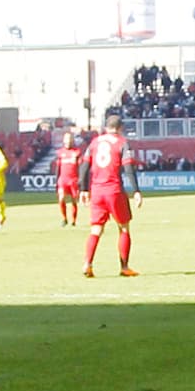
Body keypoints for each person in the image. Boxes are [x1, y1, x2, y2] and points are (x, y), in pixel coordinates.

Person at [78, 115, 142, 277]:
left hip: (97, 190)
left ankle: (88, 263)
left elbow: (84, 167)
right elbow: (128, 168)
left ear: (106, 127)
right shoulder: (122, 142)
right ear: (120, 128)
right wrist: (136, 191)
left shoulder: (94, 143)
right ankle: (124, 267)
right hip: (113, 189)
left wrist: (84, 190)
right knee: (124, 228)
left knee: (96, 229)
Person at [53, 130, 82, 226]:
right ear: (64, 141)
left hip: (73, 180)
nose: (68, 141)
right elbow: (58, 168)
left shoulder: (77, 152)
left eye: (70, 139)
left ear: (73, 140)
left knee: (74, 200)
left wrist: (80, 180)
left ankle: (73, 221)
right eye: (66, 139)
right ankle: (64, 218)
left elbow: (80, 167)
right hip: (63, 180)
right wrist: (56, 181)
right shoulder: (60, 153)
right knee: (61, 198)